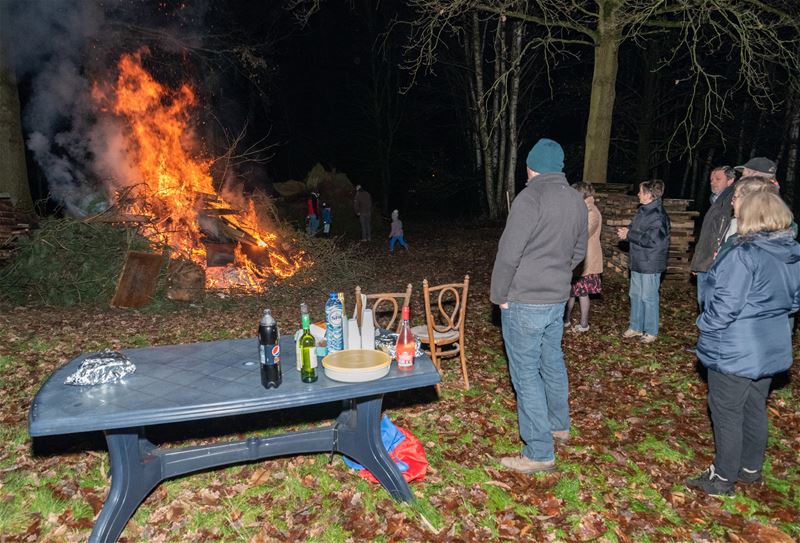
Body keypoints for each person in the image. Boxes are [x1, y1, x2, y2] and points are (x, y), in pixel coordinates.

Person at [685, 191, 800, 497]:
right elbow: (794, 302)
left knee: (726, 411)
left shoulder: (745, 253)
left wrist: (703, 324)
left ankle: (722, 478)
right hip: (771, 343)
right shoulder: (791, 251)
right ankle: (750, 470)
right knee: (754, 407)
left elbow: (725, 306)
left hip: (735, 346)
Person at [490, 138, 588, 474]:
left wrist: (499, 294)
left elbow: (509, 253)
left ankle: (539, 451)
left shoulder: (529, 197)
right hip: (556, 298)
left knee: (526, 373)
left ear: (531, 167)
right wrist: (560, 273)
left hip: (525, 299)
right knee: (552, 361)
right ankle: (559, 425)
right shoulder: (576, 200)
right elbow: (579, 251)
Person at [616, 180, 671, 344]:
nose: (638, 194)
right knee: (635, 294)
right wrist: (627, 231)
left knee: (649, 297)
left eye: (640, 191)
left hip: (650, 263)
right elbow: (635, 229)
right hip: (638, 260)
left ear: (648, 194)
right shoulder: (642, 211)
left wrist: (629, 235)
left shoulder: (659, 215)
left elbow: (653, 240)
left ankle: (651, 331)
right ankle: (635, 327)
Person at [690, 166, 736, 309]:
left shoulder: (732, 203)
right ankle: (705, 331)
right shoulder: (715, 203)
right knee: (703, 302)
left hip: (718, 264)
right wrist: (697, 262)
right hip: (705, 262)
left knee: (714, 305)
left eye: (718, 179)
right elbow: (706, 236)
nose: (713, 182)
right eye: (711, 179)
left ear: (730, 181)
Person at [564, 182, 603, 332]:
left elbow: (583, 233)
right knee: (571, 292)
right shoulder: (582, 209)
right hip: (577, 258)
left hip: (587, 260)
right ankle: (566, 320)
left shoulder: (592, 212)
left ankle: (584, 324)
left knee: (582, 293)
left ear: (582, 194)